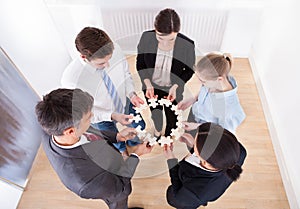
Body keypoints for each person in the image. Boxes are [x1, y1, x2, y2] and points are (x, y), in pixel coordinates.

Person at [35, 88, 151, 209]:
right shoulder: (85, 182)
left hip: (108, 161)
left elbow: (91, 133)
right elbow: (121, 188)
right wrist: (136, 155)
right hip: (114, 187)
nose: (93, 117)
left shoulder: (52, 127)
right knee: (119, 203)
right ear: (70, 131)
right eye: (88, 118)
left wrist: (118, 136)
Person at [61, 27, 144, 152]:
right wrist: (111, 116)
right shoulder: (71, 80)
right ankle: (122, 151)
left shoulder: (115, 49)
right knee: (114, 141)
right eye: (101, 63)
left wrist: (132, 94)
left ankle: (134, 143)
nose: (108, 66)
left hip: (124, 102)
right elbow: (82, 113)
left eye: (109, 59)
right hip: (99, 117)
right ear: (84, 57)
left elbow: (125, 74)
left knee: (139, 127)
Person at [136, 8, 195, 137]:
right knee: (155, 113)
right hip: (151, 87)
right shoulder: (146, 38)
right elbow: (140, 63)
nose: (165, 43)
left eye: (171, 39)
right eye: (160, 38)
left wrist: (176, 86)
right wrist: (147, 84)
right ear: (155, 29)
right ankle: (157, 131)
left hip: (173, 89)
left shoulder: (188, 45)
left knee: (172, 117)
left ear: (177, 33)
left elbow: (190, 70)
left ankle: (168, 135)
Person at [163, 122, 247, 208]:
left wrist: (171, 160)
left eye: (195, 144)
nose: (194, 141)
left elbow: (178, 194)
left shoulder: (195, 192)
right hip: (201, 192)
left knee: (172, 197)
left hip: (188, 197)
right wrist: (198, 127)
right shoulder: (239, 152)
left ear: (203, 158)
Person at [178, 52, 246, 134]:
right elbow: (203, 91)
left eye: (203, 81)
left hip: (206, 131)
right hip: (196, 115)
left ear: (219, 79)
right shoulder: (215, 81)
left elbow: (222, 132)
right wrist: (191, 100)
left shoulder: (229, 109)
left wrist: (197, 126)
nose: (201, 83)